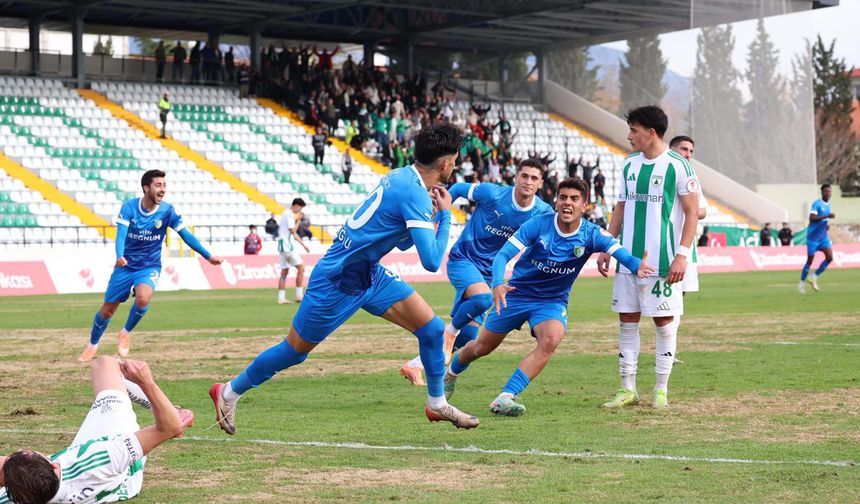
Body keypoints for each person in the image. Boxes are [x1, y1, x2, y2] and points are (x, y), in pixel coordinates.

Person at [209, 124, 479, 434]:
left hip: (369, 273)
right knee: (294, 351)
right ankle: (227, 392)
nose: (455, 165)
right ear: (445, 163)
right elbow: (431, 262)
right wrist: (445, 215)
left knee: (431, 330)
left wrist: (429, 216)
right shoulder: (415, 193)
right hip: (338, 281)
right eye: (455, 159)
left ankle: (436, 404)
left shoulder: (404, 177)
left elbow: (403, 242)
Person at [444, 178, 654, 416]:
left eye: (574, 199)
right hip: (516, 294)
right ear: (556, 202)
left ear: (584, 206)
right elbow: (503, 255)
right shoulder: (538, 225)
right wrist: (498, 284)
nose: (567, 203)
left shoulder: (591, 234)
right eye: (563, 197)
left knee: (551, 339)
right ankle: (451, 372)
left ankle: (505, 397)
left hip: (551, 302)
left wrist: (638, 266)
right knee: (481, 347)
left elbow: (621, 254)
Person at [399, 159, 554, 386]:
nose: (528, 182)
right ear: (516, 177)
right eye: (524, 176)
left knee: (469, 338)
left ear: (540, 183)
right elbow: (460, 189)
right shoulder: (493, 193)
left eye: (533, 178)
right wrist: (439, 214)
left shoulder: (542, 212)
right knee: (483, 299)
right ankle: (449, 333)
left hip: (489, 273)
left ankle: (413, 365)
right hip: (464, 259)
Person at [596, 105, 699, 410]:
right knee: (627, 320)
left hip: (663, 261)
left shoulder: (679, 165)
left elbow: (692, 213)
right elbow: (621, 208)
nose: (629, 136)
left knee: (664, 323)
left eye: (634, 130)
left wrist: (681, 256)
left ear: (650, 133)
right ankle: (628, 388)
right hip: (628, 259)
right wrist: (607, 244)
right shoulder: (629, 165)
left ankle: (661, 389)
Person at [0, 357, 193, 504]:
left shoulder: (20, 495)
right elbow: (170, 428)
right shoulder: (101, 459)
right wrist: (146, 382)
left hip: (82, 476)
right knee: (105, 364)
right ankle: (167, 410)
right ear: (54, 465)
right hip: (118, 460)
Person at [77, 170, 223, 362]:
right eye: (158, 185)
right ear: (146, 188)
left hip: (149, 265)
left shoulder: (168, 211)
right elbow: (120, 234)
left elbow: (186, 235)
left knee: (144, 298)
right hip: (126, 265)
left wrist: (208, 256)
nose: (162, 189)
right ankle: (92, 345)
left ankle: (125, 333)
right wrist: (119, 255)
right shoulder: (129, 208)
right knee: (108, 310)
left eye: (164, 185)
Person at [799, 184, 835, 293]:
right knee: (810, 261)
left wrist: (826, 225)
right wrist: (826, 217)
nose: (828, 193)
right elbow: (812, 218)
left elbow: (822, 221)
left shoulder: (829, 205)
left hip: (823, 236)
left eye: (829, 191)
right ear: (822, 193)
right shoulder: (817, 203)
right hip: (813, 237)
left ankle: (814, 276)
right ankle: (801, 284)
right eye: (825, 192)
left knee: (829, 257)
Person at [277, 198, 311, 305]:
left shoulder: (285, 213)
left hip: (282, 246)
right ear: (296, 205)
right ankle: (299, 295)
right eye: (300, 208)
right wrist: (299, 220)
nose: (299, 211)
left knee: (284, 272)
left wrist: (303, 245)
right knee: (301, 268)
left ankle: (281, 298)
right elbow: (293, 231)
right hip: (288, 246)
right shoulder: (289, 214)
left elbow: (293, 234)